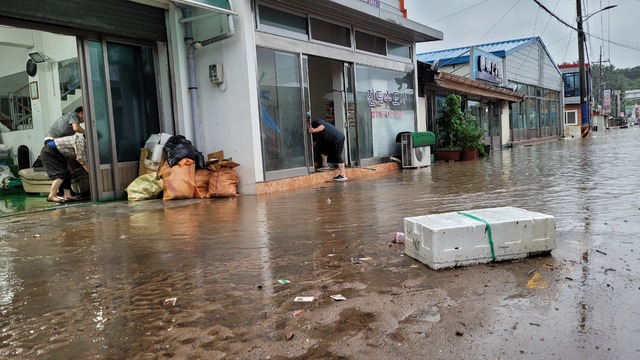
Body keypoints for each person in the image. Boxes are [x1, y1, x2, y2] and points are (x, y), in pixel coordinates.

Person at [39, 133, 88, 203]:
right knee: (60, 173)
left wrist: (67, 165)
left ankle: (67, 195)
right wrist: (91, 173)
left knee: (67, 172)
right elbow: (82, 160)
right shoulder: (80, 142)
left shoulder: (82, 142)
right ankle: (52, 196)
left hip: (59, 153)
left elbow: (69, 153)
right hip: (49, 152)